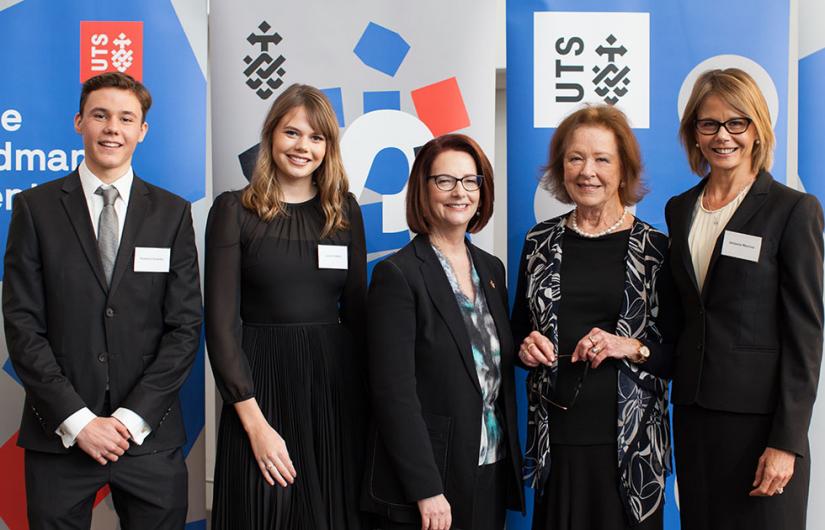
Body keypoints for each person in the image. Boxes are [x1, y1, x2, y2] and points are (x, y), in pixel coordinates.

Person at [2, 72, 202, 529]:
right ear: (79, 123)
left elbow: (185, 327)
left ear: (142, 131)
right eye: (100, 115)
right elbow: (22, 325)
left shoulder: (172, 213)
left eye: (126, 118)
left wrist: (132, 419)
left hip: (149, 435)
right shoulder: (35, 208)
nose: (113, 127)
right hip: (61, 435)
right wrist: (78, 420)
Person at [667, 67, 824, 530]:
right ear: (694, 133)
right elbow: (683, 315)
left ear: (757, 130)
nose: (723, 136)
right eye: (709, 123)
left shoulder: (792, 210)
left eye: (737, 122)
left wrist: (787, 440)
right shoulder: (680, 209)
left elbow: (805, 334)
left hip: (761, 427)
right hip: (694, 416)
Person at [206, 83, 368, 530]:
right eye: (292, 133)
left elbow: (357, 315)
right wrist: (255, 424)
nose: (303, 147)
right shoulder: (233, 211)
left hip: (333, 393)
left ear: (328, 148)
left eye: (317, 138)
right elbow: (220, 327)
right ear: (271, 135)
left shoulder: (345, 212)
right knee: (261, 512)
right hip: (258, 390)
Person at [512, 105, 673, 530]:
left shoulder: (656, 249)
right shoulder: (538, 242)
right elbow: (516, 333)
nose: (588, 171)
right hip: (557, 439)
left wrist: (630, 345)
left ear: (624, 170)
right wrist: (525, 346)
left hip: (632, 448)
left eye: (602, 159)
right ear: (561, 168)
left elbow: (677, 354)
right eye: (575, 158)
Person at [362, 134, 525, 530]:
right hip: (434, 477)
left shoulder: (491, 270)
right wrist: (426, 489)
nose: (460, 192)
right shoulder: (397, 274)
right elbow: (393, 393)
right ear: (424, 188)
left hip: (491, 464)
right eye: (445, 181)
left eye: (471, 181)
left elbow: (486, 362)